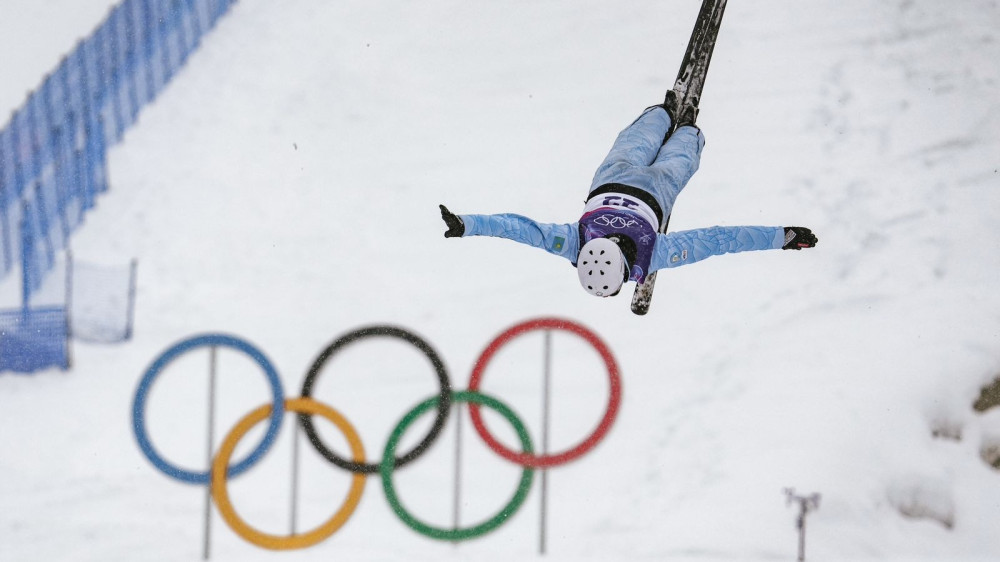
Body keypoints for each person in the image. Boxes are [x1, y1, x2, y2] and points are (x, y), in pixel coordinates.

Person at [439, 95, 817, 298]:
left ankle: (686, 130)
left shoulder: (653, 253)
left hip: (655, 189)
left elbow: (716, 241)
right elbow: (521, 230)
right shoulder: (572, 242)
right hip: (614, 177)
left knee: (680, 157)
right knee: (636, 142)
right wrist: (468, 224)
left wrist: (781, 237)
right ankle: (663, 114)